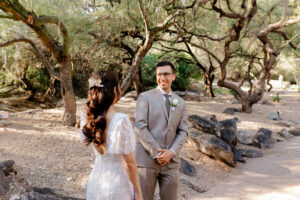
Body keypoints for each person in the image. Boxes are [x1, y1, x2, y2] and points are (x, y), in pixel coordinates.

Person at [79, 71, 143, 200]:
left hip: (96, 183)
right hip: (118, 186)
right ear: (114, 90)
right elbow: (129, 163)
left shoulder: (87, 118)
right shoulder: (121, 120)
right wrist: (138, 193)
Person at [134, 61, 188, 200]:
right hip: (147, 161)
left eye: (166, 74)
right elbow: (140, 126)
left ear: (173, 76)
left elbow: (183, 131)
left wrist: (171, 152)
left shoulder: (180, 102)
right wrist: (157, 152)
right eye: (159, 74)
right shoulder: (145, 97)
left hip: (171, 162)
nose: (162, 78)